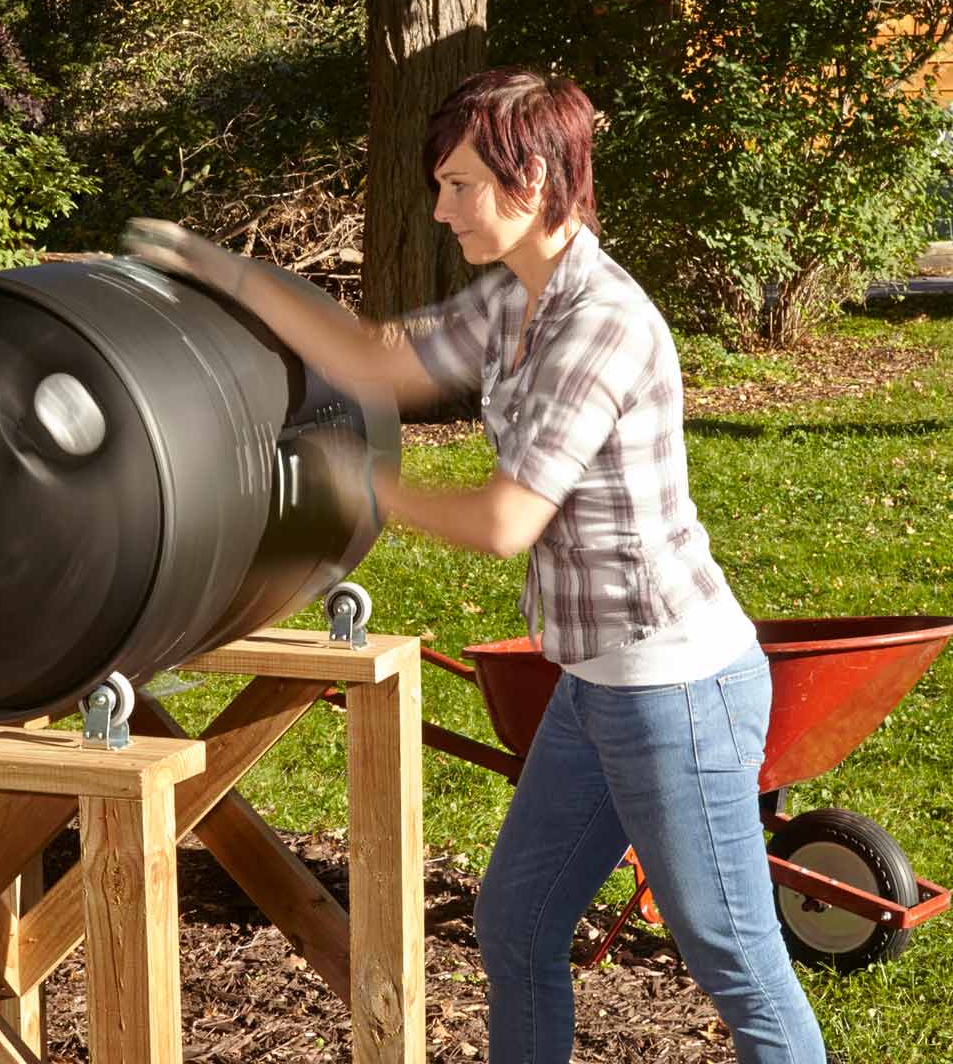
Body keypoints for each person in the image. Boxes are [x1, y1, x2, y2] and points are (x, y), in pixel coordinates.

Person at [124, 67, 828, 1064]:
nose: (441, 207)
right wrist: (228, 276)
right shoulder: (519, 300)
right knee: (517, 925)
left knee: (737, 963)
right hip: (597, 689)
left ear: (532, 179)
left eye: (460, 185)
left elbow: (507, 520)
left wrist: (358, 487)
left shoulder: (602, 325)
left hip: (677, 690)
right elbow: (374, 358)